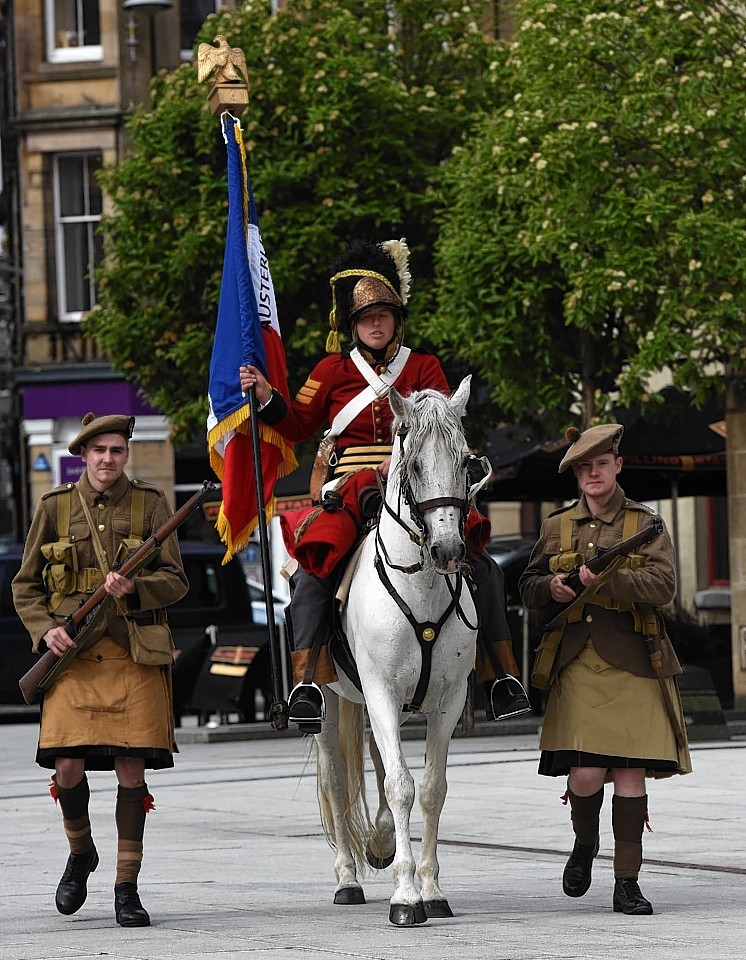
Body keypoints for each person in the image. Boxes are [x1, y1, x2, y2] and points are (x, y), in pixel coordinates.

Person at [241, 238, 529, 730]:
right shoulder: (332, 370)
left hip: (419, 485)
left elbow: (440, 430)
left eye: (384, 315)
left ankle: (500, 676)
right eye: (366, 318)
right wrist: (268, 399)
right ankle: (307, 680)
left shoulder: (424, 367)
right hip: (352, 486)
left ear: (397, 319)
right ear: (353, 326)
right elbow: (296, 426)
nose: (376, 324)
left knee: (482, 564)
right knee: (313, 567)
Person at [12, 413, 189, 927]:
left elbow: (176, 580)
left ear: (126, 453)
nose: (108, 459)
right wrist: (46, 628)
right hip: (72, 655)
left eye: (116, 450)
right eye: (99, 451)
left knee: (130, 769)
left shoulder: (153, 504)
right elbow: (26, 585)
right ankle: (81, 852)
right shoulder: (55, 507)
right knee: (66, 766)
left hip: (134, 651)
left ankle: (126, 887)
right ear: (83, 455)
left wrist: (136, 587)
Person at [518, 423, 692, 916]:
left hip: (636, 659)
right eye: (583, 467)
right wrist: (552, 588)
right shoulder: (557, 525)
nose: (592, 473)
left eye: (601, 464)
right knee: (587, 775)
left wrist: (609, 582)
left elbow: (663, 585)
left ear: (618, 465)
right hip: (576, 658)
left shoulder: (645, 523)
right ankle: (585, 844)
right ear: (575, 474)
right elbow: (528, 586)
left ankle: (627, 882)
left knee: (630, 772)